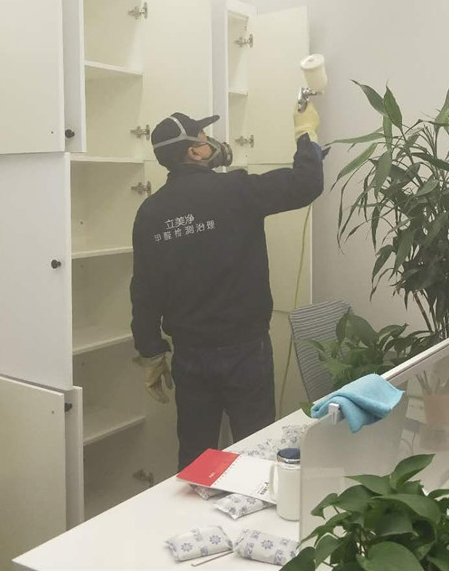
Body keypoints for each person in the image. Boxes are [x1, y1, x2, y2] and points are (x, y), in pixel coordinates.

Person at [130, 104, 324, 469]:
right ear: (195, 151)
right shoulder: (236, 189)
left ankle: (193, 505)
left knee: (197, 459)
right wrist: (305, 134)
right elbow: (307, 183)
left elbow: (144, 289)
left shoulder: (151, 213)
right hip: (245, 351)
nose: (213, 143)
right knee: (256, 454)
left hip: (190, 356)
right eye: (205, 138)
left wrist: (151, 352)